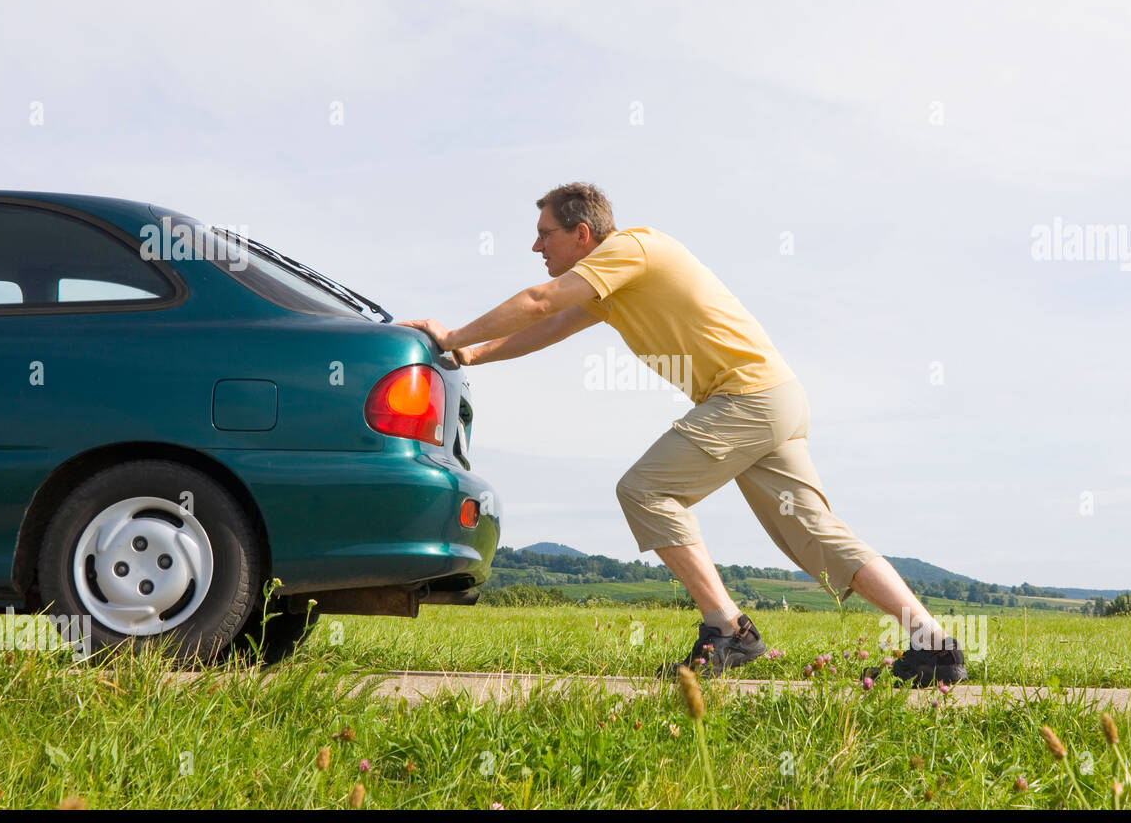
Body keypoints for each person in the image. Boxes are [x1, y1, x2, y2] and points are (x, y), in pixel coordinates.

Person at [398, 182, 966, 685]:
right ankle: (933, 645)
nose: (536, 246)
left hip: (747, 396)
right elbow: (549, 324)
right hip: (774, 398)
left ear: (582, 233)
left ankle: (729, 629)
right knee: (816, 533)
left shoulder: (632, 249)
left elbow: (539, 301)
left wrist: (450, 334)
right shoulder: (612, 283)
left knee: (644, 489)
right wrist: (469, 351)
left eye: (544, 233)